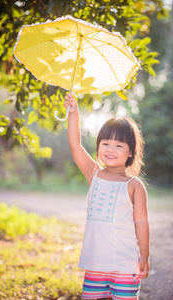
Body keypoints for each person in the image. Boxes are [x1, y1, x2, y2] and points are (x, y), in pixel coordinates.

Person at [64, 93, 150, 300]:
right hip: (95, 264)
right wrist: (73, 112)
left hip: (125, 264)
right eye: (106, 143)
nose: (111, 149)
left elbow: (141, 222)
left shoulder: (134, 185)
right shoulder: (94, 174)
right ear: (98, 146)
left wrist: (145, 256)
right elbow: (75, 144)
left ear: (131, 152)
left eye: (119, 145)